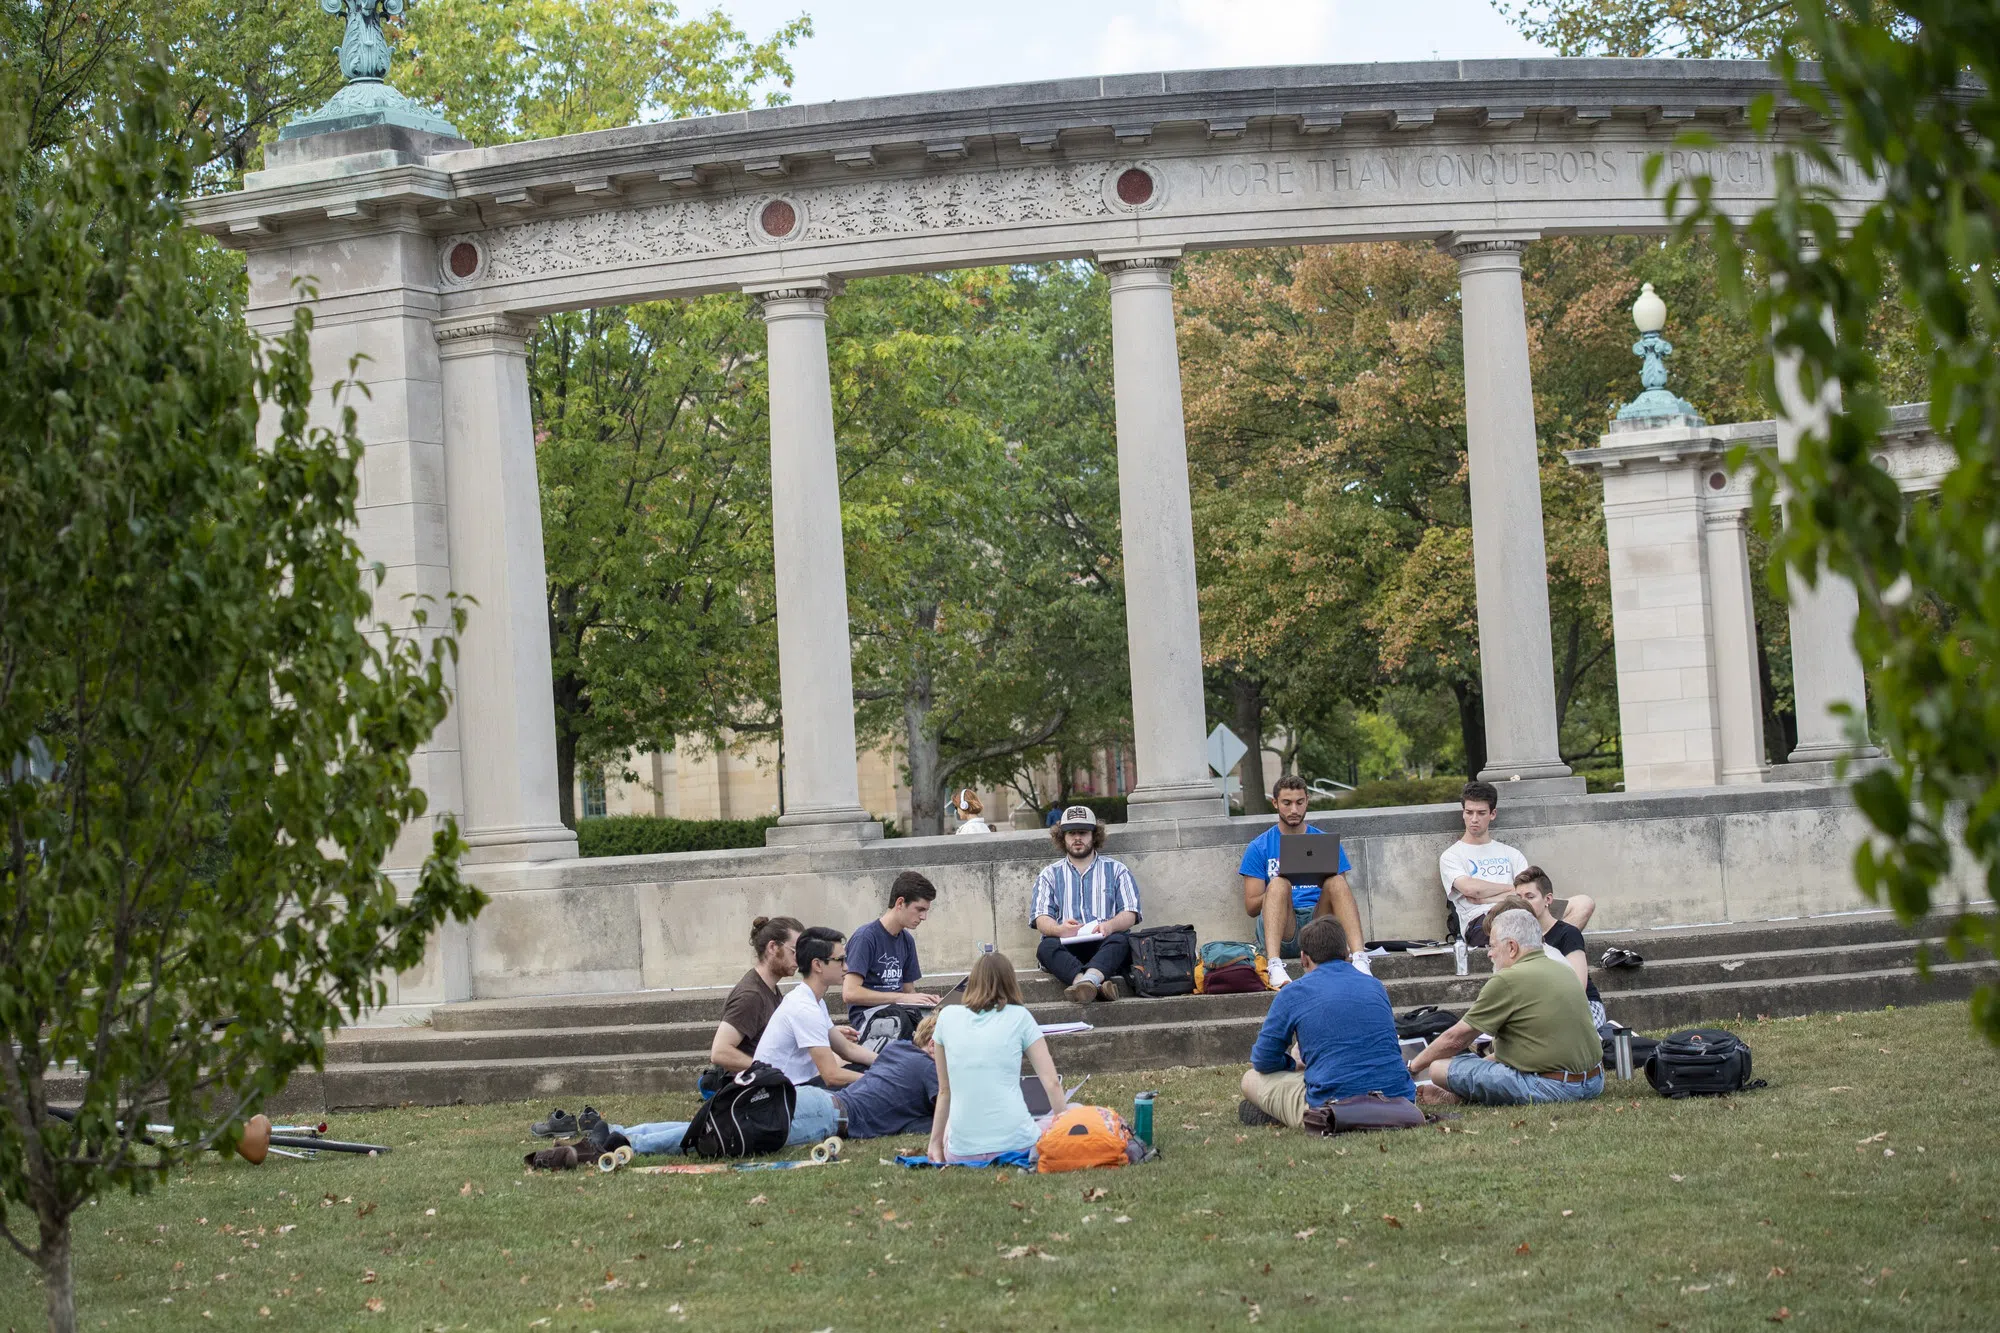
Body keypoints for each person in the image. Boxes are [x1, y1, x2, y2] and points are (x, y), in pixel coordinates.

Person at [615, 1013, 943, 1156]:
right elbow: (947, 1112)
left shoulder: (900, 1050)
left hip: (817, 1102)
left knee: (719, 1123)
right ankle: (631, 1143)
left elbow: (917, 1121)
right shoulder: (928, 1070)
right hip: (826, 1117)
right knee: (722, 1134)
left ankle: (628, 1132)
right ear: (933, 1044)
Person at [1405, 908, 1604, 1106]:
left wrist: (1412, 1066)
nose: (1489, 954)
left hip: (1551, 1086)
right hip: (1594, 1081)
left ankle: (1462, 1095)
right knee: (1481, 1064)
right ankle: (1463, 1094)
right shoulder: (1563, 968)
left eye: (1492, 946)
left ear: (1511, 947)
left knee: (1439, 1068)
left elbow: (1456, 1039)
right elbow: (1516, 1052)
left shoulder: (1508, 979)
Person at [1238, 918, 1415, 1128]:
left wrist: (1294, 1064)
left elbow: (1263, 1060)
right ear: (1347, 952)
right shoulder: (1375, 986)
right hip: (1400, 1102)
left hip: (1334, 1107)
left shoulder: (1293, 993)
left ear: (1304, 958)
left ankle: (1283, 1112)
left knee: (1250, 1079)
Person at [927, 952, 1066, 1165]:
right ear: (1011, 982)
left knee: (950, 1125)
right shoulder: (1020, 1016)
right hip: (1018, 1145)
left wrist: (935, 1144)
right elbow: (1052, 1083)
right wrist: (1066, 1134)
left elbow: (945, 1091)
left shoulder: (946, 1016)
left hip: (962, 1153)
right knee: (1072, 1110)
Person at [1238, 774, 1369, 988]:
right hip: (1283, 926)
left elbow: (1341, 896)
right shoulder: (1259, 846)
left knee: (1336, 881)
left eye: (1300, 802)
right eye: (1287, 803)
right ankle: (1274, 965)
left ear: (1307, 801)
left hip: (1319, 924)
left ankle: (1360, 959)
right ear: (1275, 803)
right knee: (1279, 884)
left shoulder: (1324, 842)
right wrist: (1280, 886)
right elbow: (1252, 907)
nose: (1294, 810)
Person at [1440, 780, 1595, 947]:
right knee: (1514, 918)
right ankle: (1549, 949)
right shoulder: (1451, 855)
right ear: (1463, 813)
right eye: (1469, 812)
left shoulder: (1512, 854)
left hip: (1523, 912)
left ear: (1493, 814)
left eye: (1481, 813)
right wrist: (1511, 890)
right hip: (1484, 920)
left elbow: (1526, 894)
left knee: (1583, 903)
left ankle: (1547, 949)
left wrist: (1486, 898)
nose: (1474, 819)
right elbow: (1471, 889)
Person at [1029, 805, 1142, 1003]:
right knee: (1046, 947)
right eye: (1071, 833)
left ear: (1094, 835)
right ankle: (1088, 982)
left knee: (1122, 940)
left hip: (1103, 945)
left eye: (1083, 832)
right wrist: (1059, 929)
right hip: (1068, 947)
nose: (1077, 838)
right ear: (1062, 837)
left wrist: (1110, 925)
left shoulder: (1117, 870)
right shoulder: (1049, 874)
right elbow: (1041, 919)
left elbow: (1130, 913)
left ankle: (1086, 983)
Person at [753, 926, 877, 1089]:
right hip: (780, 1099)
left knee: (868, 1070)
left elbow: (847, 1049)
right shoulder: (804, 1008)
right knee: (871, 1086)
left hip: (794, 1089)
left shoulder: (813, 1001)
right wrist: (883, 1080)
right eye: (840, 960)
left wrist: (889, 1062)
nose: (847, 967)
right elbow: (832, 1076)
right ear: (817, 965)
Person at [1513, 867, 1608, 1031]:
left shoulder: (1568, 933)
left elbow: (1577, 987)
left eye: (1530, 897)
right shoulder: (1519, 938)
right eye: (1519, 897)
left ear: (1548, 899)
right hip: (1540, 1008)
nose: (1523, 903)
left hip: (1582, 1006)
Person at [844, 871, 940, 1026]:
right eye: (920, 909)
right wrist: (901, 998)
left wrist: (928, 1002)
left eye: (926, 911)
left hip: (900, 1014)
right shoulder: (866, 937)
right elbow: (850, 993)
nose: (924, 917)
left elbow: (908, 991)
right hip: (871, 1020)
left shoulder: (907, 940)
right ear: (900, 903)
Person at [709, 915, 803, 1074]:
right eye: (794, 951)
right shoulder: (751, 995)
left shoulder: (769, 988)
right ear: (772, 947)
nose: (800, 959)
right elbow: (720, 1052)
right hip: (751, 1091)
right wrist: (772, 1071)